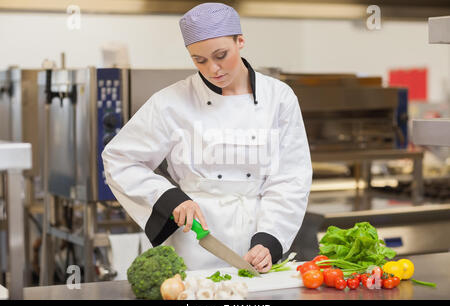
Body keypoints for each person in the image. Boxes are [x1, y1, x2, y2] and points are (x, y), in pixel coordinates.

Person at [102, 2, 312, 273]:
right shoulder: (170, 102)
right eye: (199, 60)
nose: (213, 68)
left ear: (240, 41)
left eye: (221, 55)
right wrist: (169, 198)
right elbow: (119, 159)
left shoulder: (279, 98)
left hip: (258, 241)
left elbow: (291, 176)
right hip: (194, 244)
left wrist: (270, 240)